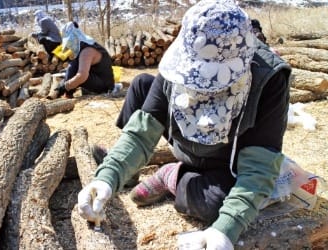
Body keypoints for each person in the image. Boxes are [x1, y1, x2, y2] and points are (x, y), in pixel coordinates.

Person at [77, 0, 291, 249]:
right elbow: (140, 134)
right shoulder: (179, 61)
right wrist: (106, 177)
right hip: (183, 139)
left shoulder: (269, 78)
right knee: (142, 85)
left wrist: (224, 231)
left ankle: (172, 175)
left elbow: (258, 168)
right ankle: (135, 171)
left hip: (224, 160)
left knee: (219, 206)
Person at [56, 21, 115, 98]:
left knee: (75, 69)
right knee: (72, 65)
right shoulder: (84, 45)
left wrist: (65, 86)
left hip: (104, 86)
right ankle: (67, 93)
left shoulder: (87, 51)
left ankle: (67, 93)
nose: (70, 46)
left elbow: (82, 76)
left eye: (70, 42)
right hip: (97, 78)